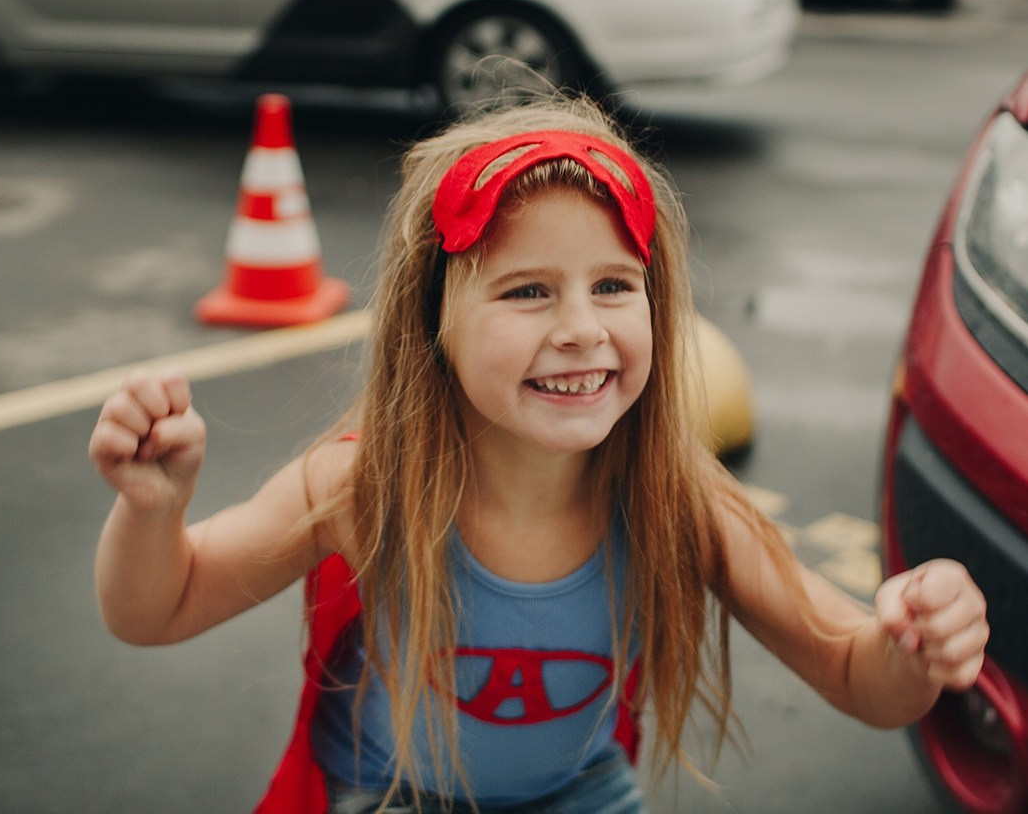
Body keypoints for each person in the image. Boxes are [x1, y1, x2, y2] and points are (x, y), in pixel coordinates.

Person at [89, 95, 988, 814]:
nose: (580, 330)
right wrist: (152, 508)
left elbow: (852, 673)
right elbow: (155, 610)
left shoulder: (678, 499)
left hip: (580, 791)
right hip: (395, 796)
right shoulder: (365, 487)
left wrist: (912, 646)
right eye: (527, 291)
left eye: (612, 286)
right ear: (433, 320)